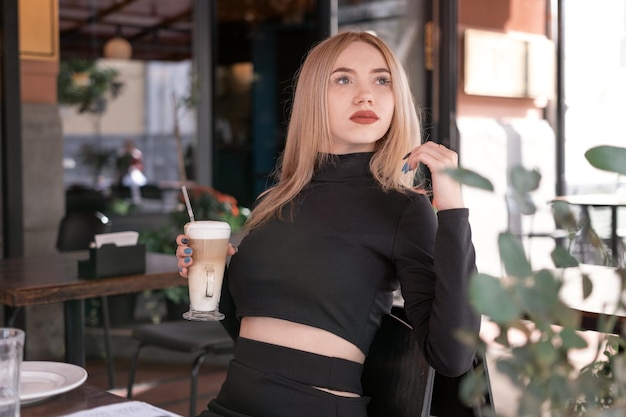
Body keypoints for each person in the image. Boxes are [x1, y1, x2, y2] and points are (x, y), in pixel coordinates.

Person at [175, 30, 480, 417]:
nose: (365, 94)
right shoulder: (274, 202)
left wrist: (452, 207)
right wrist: (212, 280)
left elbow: (453, 356)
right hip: (229, 406)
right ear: (313, 96)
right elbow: (247, 332)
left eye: (381, 80)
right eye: (343, 78)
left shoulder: (403, 209)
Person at [116, 139, 147, 204]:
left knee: (134, 181)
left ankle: (136, 199)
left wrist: (134, 168)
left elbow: (140, 165)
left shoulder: (136, 154)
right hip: (124, 176)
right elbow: (119, 166)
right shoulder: (122, 154)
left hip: (135, 175)